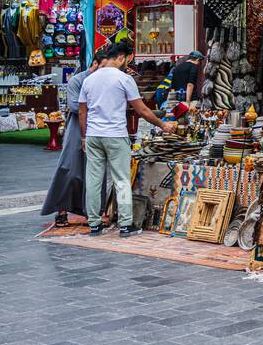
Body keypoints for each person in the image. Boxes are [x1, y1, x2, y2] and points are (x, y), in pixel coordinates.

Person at [78, 43, 174, 236]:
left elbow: (82, 111)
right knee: (121, 179)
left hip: (94, 135)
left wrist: (84, 136)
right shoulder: (124, 79)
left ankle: (95, 224)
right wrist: (162, 125)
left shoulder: (89, 79)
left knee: (94, 180)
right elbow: (142, 110)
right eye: (128, 59)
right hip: (115, 135)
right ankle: (125, 224)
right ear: (122, 57)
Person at [41, 49, 107, 226]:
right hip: (77, 128)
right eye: (102, 67)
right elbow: (75, 105)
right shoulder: (77, 80)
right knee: (69, 168)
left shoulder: (104, 80)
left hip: (98, 127)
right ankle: (61, 210)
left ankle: (91, 212)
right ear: (94, 64)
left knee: (94, 169)